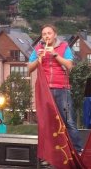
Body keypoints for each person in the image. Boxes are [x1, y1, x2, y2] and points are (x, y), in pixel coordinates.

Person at [28, 24, 82, 153]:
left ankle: (77, 150)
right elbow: (29, 69)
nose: (46, 36)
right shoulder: (38, 48)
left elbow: (70, 65)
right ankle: (49, 154)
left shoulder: (64, 47)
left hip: (62, 88)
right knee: (46, 123)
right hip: (45, 89)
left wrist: (55, 54)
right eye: (44, 34)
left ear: (55, 35)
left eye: (49, 33)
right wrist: (38, 59)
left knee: (68, 120)